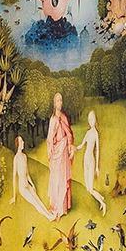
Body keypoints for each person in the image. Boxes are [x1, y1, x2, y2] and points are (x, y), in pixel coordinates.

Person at [46, 92, 74, 220]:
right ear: (54, 103)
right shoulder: (53, 119)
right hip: (56, 153)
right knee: (56, 180)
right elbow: (49, 139)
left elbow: (69, 134)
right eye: (57, 100)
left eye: (61, 100)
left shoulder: (64, 117)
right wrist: (51, 153)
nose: (60, 102)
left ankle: (62, 209)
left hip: (64, 153)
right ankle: (56, 207)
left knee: (63, 179)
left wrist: (69, 144)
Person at [81, 108, 106, 213]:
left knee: (90, 189)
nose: (91, 122)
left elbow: (98, 151)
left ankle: (103, 204)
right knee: (88, 189)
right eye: (89, 120)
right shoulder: (88, 133)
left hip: (91, 161)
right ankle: (101, 198)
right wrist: (72, 148)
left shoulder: (95, 133)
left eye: (92, 119)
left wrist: (96, 168)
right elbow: (82, 145)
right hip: (85, 160)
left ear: (95, 120)